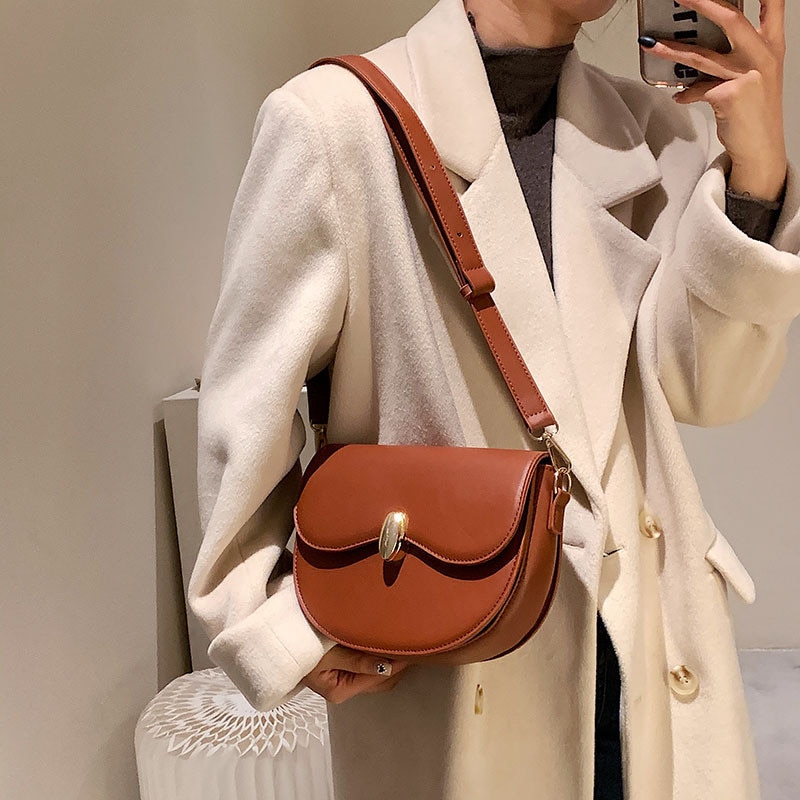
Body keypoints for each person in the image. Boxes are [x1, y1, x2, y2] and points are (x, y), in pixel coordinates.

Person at [188, 0, 799, 798]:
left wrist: (757, 175)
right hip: (458, 657)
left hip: (649, 651)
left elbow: (706, 389)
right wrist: (281, 626)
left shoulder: (656, 132)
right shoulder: (336, 125)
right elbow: (246, 412)